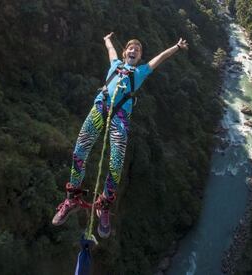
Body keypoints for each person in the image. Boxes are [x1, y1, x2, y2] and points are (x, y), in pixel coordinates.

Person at [52, 32, 189, 238]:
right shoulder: (115, 64)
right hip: (100, 108)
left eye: (138, 49)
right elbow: (110, 50)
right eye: (131, 48)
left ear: (139, 56)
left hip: (120, 117)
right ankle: (72, 198)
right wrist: (107, 39)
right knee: (79, 151)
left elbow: (159, 58)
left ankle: (105, 204)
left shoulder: (141, 71)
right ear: (125, 53)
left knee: (116, 161)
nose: (134, 50)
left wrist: (176, 47)